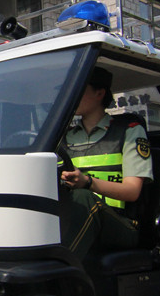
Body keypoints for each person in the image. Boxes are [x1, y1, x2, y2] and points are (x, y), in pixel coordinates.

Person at [59, 66, 152, 258]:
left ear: (99, 93)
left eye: (79, 89)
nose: (73, 95)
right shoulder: (65, 138)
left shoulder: (129, 131)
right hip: (74, 216)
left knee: (83, 197)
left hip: (119, 222)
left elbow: (132, 191)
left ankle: (57, 270)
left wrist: (88, 182)